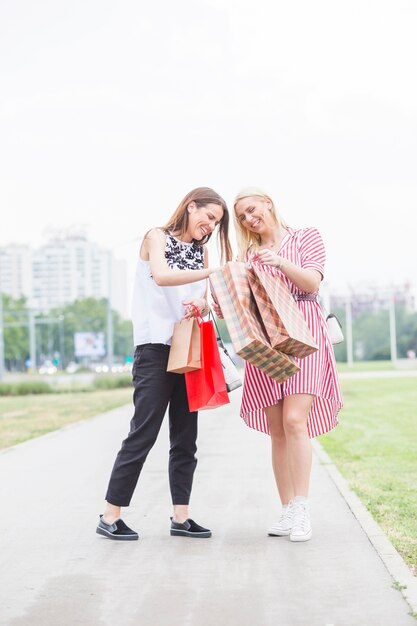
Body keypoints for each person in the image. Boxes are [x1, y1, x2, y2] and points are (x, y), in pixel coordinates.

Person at [96, 187, 232, 541]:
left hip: (188, 350)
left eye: (216, 222)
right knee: (143, 432)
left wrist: (201, 305)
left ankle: (181, 517)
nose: (210, 226)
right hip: (154, 350)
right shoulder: (155, 237)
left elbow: (202, 301)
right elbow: (162, 276)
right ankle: (110, 516)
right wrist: (213, 273)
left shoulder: (201, 252)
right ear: (191, 206)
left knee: (186, 438)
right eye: (208, 216)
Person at [214, 187, 342, 542]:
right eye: (241, 216)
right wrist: (221, 290)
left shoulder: (305, 237)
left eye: (252, 209)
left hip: (306, 331)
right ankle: (287, 509)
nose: (249, 218)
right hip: (266, 340)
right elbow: (236, 310)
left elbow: (312, 282)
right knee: (278, 430)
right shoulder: (247, 255)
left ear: (268, 203)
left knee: (294, 419)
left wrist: (280, 262)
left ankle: (302, 507)